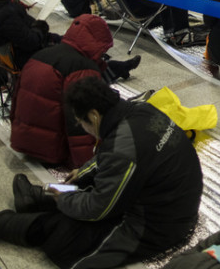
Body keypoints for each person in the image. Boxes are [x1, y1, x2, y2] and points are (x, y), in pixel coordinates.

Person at [0, 75, 203, 269]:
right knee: (84, 187)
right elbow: (109, 162)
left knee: (67, 233)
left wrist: (66, 200)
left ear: (94, 115)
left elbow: (98, 208)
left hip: (160, 224)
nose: (82, 127)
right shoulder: (139, 110)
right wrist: (82, 174)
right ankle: (40, 197)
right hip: (167, 200)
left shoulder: (122, 146)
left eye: (81, 122)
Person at [10, 14, 139, 167]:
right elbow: (80, 122)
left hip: (23, 140)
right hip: (51, 151)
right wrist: (86, 165)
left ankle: (120, 69)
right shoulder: (81, 68)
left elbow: (16, 99)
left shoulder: (42, 54)